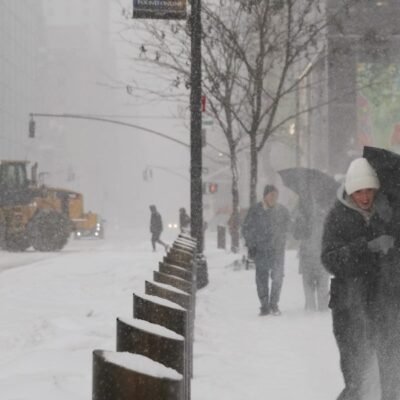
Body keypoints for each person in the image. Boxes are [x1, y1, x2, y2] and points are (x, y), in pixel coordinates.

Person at [321, 157, 395, 400]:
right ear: (350, 191)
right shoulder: (337, 216)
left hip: (383, 305)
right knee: (356, 377)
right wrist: (367, 247)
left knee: (390, 376)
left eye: (369, 191)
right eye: (359, 192)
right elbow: (329, 259)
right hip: (348, 308)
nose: (365, 197)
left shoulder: (386, 215)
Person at [242, 184, 290, 316]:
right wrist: (251, 244)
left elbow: (290, 227)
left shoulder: (282, 211)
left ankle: (274, 304)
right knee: (261, 278)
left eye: (276, 195)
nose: (274, 198)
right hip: (261, 250)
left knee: (278, 277)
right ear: (265, 196)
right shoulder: (255, 210)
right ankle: (264, 305)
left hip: (277, 250)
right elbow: (246, 228)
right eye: (271, 195)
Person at [293, 201, 330, 312]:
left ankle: (319, 309)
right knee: (310, 285)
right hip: (308, 255)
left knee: (320, 285)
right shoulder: (302, 216)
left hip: (320, 255)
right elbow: (296, 235)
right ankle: (312, 310)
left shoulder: (325, 216)